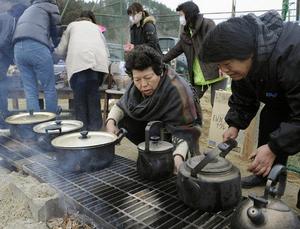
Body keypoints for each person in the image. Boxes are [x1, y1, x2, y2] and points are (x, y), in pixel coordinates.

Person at [201, 10, 300, 188]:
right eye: (220, 65)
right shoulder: (248, 60)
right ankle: (266, 176)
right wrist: (234, 124)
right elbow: (243, 96)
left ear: (246, 51)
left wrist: (273, 148)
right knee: (270, 118)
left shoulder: (292, 52)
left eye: (227, 64)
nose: (224, 70)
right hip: (279, 99)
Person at [106, 45, 202, 172]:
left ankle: (172, 153)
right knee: (124, 117)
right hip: (154, 128)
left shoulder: (178, 90)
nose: (143, 84)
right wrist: (110, 122)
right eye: (137, 79)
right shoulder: (135, 87)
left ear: (160, 72)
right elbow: (121, 105)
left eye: (148, 78)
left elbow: (186, 131)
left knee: (178, 156)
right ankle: (151, 149)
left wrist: (178, 157)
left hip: (175, 130)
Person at [162, 1, 227, 106]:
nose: (180, 18)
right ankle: (195, 122)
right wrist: (159, 60)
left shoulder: (207, 24)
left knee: (217, 105)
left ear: (189, 14)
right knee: (189, 101)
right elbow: (175, 51)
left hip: (217, 73)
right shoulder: (185, 34)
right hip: (198, 77)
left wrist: (222, 64)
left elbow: (219, 44)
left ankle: (224, 122)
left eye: (181, 15)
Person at [55, 11, 109, 130]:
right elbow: (106, 51)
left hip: (78, 66)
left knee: (80, 100)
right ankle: (95, 132)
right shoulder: (96, 28)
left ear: (79, 18)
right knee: (93, 98)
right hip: (97, 67)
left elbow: (60, 51)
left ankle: (82, 132)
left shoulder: (72, 26)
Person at [13, 0, 61, 113]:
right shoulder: (51, 6)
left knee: (30, 90)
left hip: (17, 47)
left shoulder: (29, 8)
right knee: (49, 87)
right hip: (37, 45)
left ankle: (34, 125)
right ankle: (52, 123)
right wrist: (56, 50)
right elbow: (56, 32)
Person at [0, 3, 27, 128]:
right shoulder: (11, 19)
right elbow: (4, 42)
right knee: (1, 86)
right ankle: (3, 115)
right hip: (1, 58)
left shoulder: (4, 16)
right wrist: (13, 59)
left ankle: (4, 113)